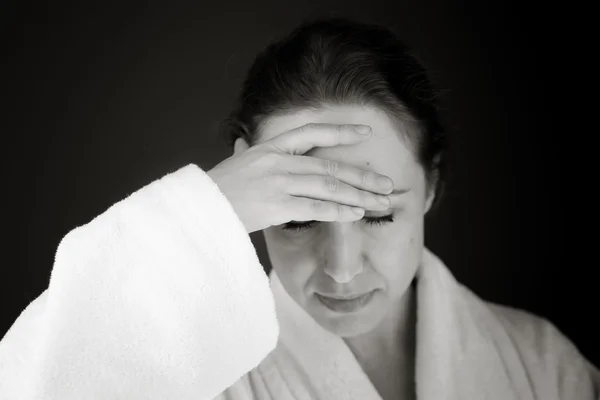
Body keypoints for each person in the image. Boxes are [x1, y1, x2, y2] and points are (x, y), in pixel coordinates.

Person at [0, 17, 598, 400]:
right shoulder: (204, 378)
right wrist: (206, 210)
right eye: (295, 217)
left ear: (432, 185)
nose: (340, 270)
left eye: (378, 213)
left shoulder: (542, 367)